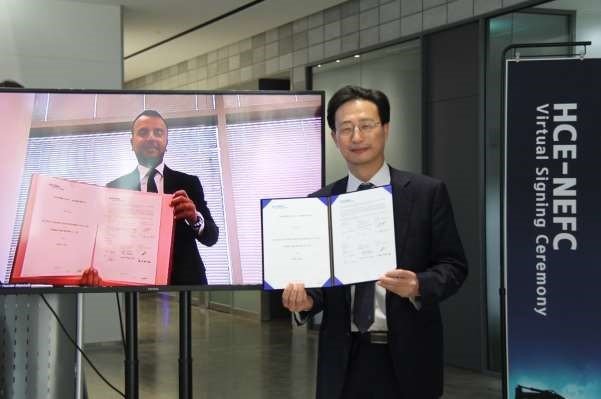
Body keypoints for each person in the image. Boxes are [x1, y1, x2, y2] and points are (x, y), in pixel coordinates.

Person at [282, 86, 468, 399]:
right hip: (343, 358)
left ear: (385, 129)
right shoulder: (320, 202)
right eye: (346, 128)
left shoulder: (426, 193)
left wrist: (418, 285)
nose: (357, 137)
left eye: (366, 126)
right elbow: (318, 281)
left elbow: (454, 266)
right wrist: (306, 301)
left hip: (410, 356)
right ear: (334, 137)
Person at [81, 109, 218, 285]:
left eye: (158, 132)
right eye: (143, 132)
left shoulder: (189, 183)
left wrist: (194, 218)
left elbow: (211, 237)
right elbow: (106, 245)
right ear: (132, 143)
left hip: (187, 286)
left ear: (166, 142)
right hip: (131, 287)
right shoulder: (113, 189)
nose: (151, 137)